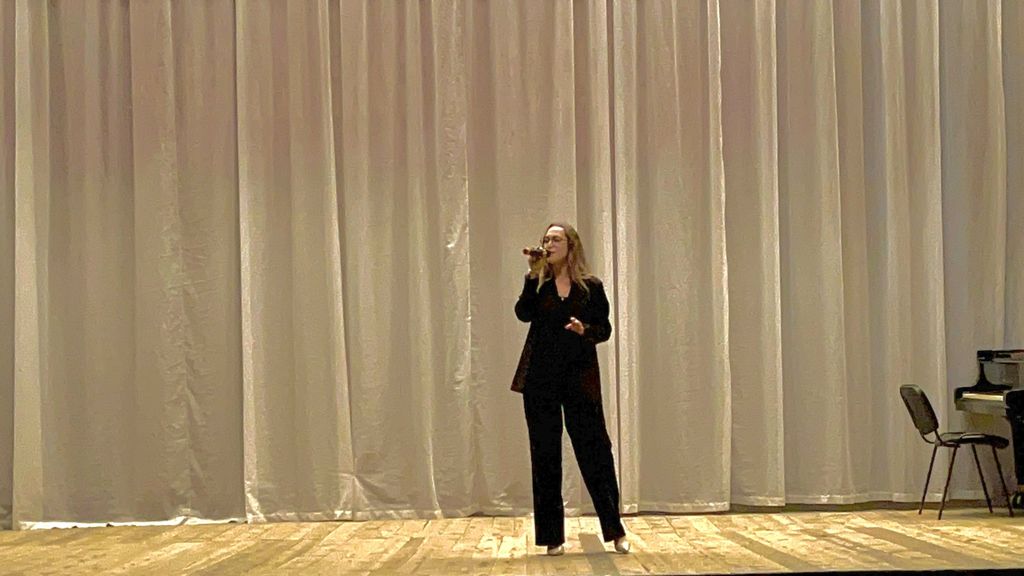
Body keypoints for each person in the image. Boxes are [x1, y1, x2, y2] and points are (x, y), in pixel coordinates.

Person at [511, 222, 629, 556]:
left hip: (579, 378)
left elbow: (604, 329)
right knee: (545, 456)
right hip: (541, 380)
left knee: (596, 452)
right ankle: (552, 537)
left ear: (570, 246)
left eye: (556, 239)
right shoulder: (538, 284)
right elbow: (523, 314)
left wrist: (584, 329)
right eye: (546, 239)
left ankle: (615, 530)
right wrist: (532, 275)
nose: (549, 244)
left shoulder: (590, 287)